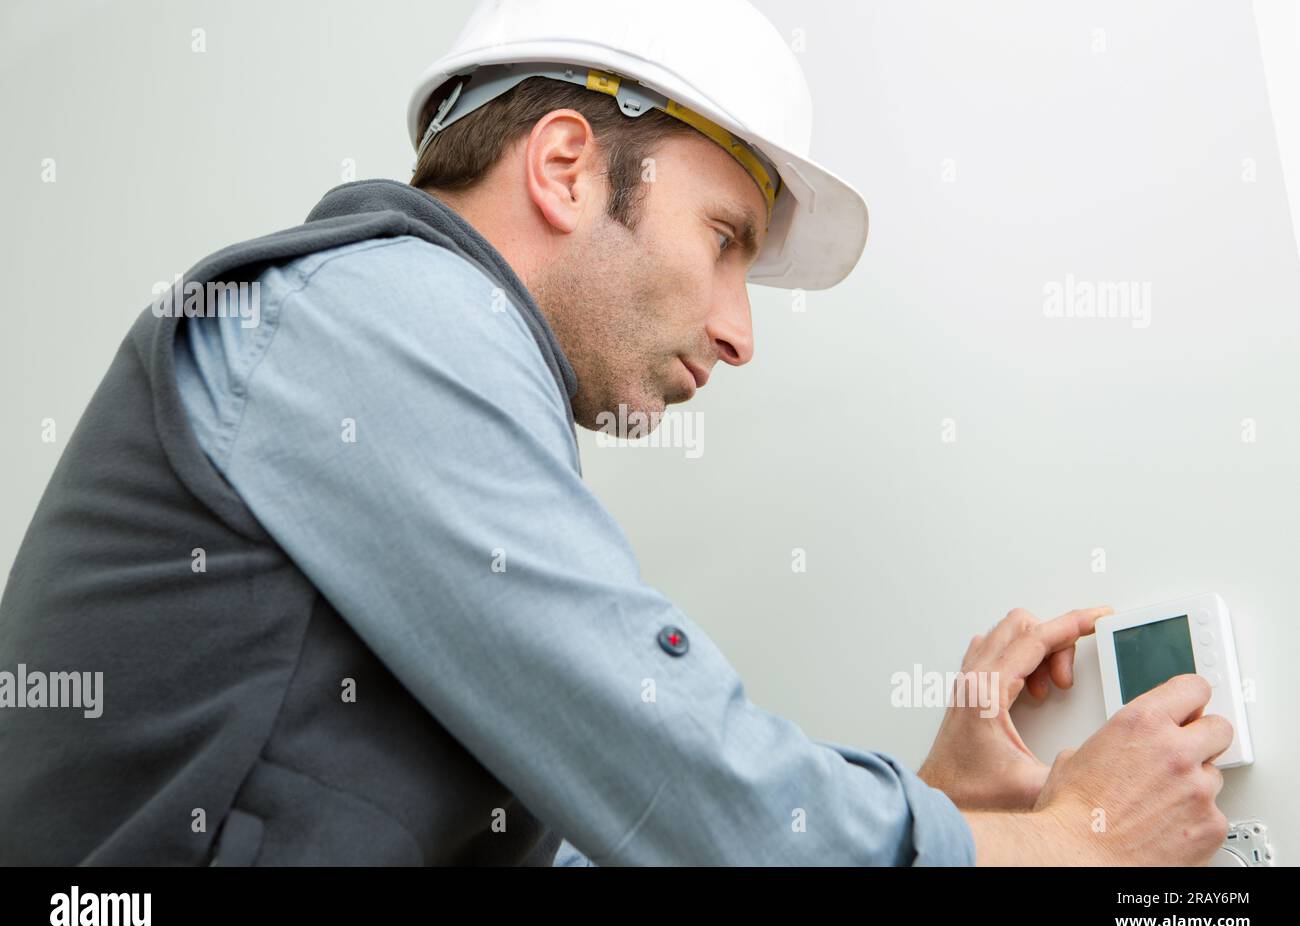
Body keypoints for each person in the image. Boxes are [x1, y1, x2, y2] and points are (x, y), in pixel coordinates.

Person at [0, 0, 1231, 866]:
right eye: (725, 241)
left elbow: (613, 845)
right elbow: (691, 795)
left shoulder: (413, 364)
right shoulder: (380, 317)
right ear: (568, 166)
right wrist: (1073, 844)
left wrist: (942, 808)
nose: (741, 330)